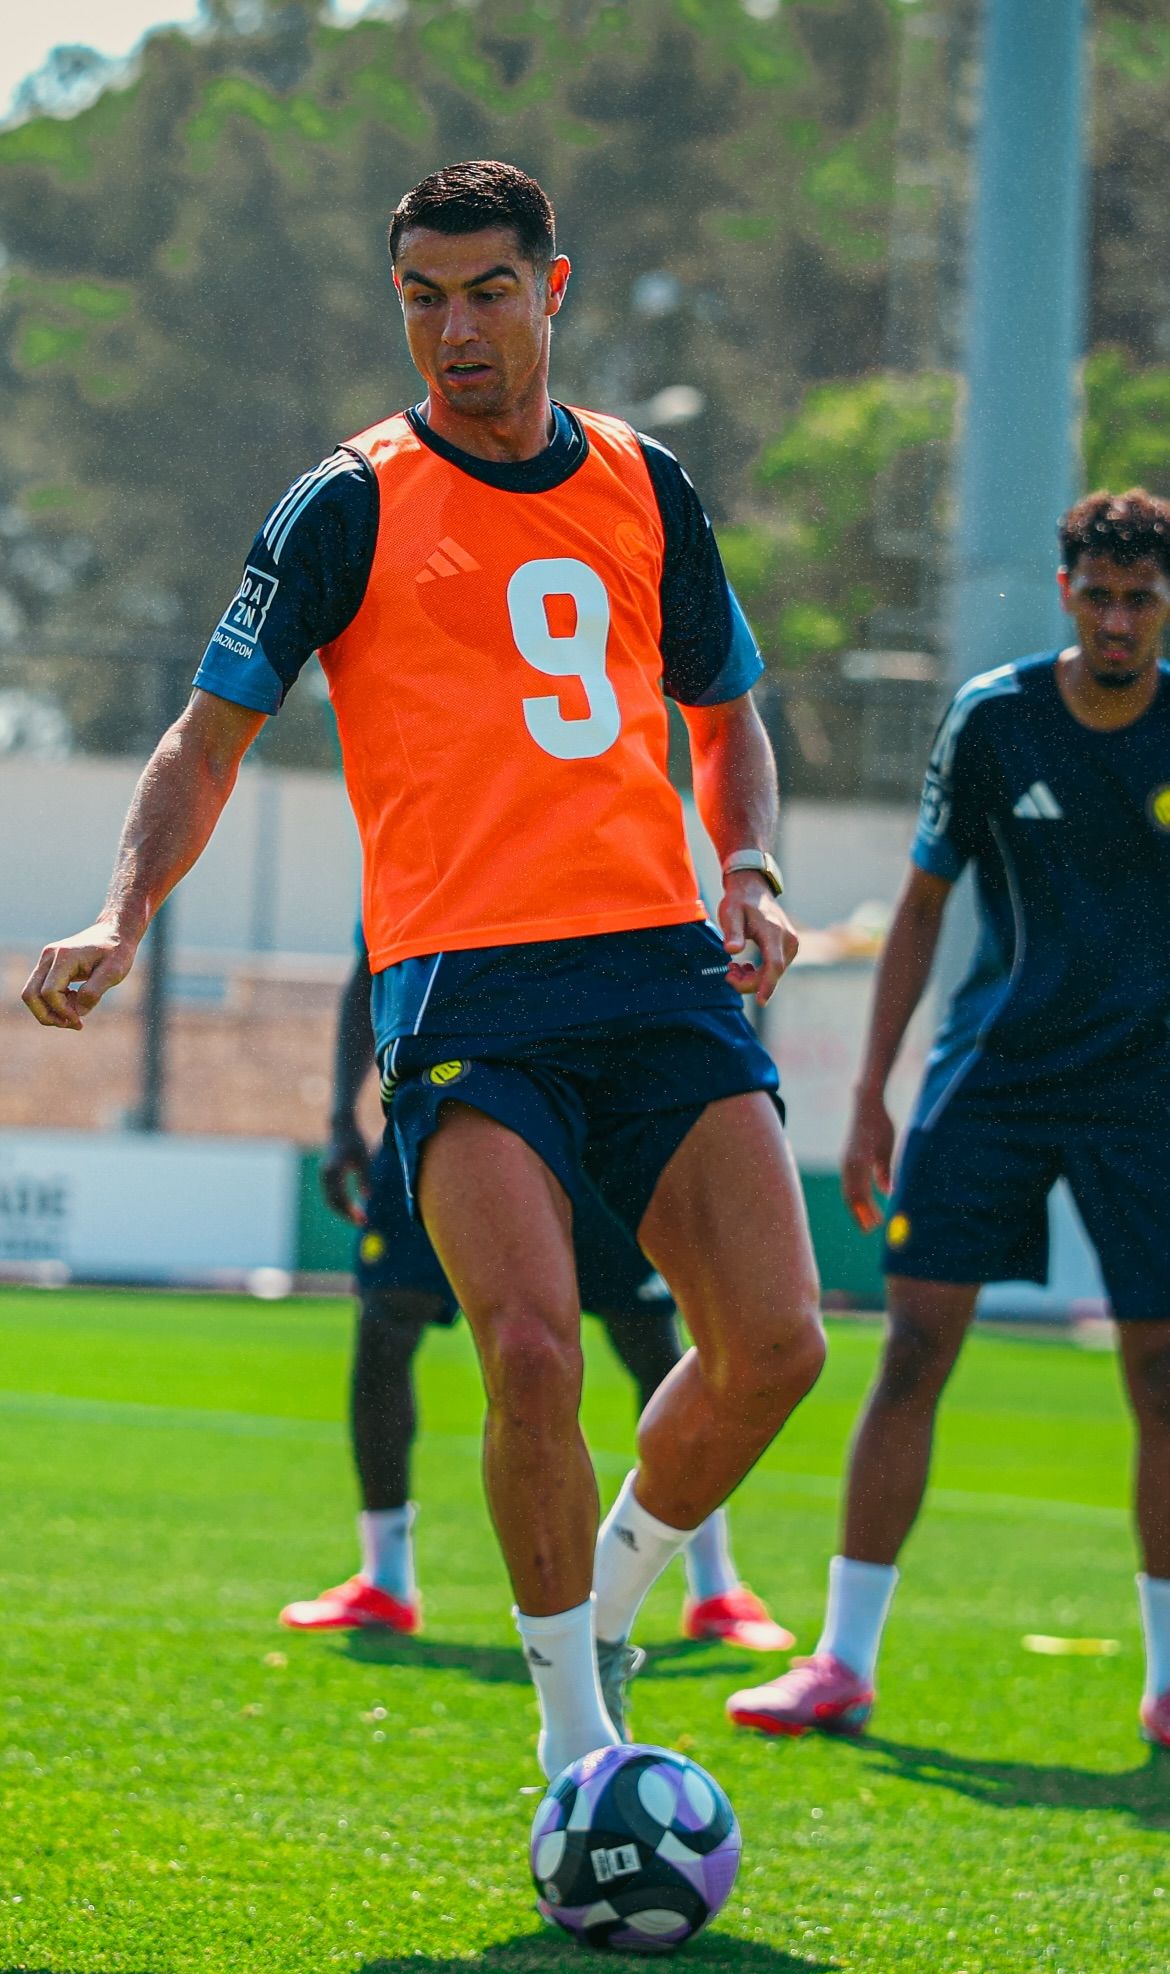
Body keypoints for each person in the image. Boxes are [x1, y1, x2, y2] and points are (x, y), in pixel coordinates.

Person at [24, 159, 825, 1779]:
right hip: (466, 986)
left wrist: (747, 867)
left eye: (487, 293)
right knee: (527, 1350)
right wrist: (124, 911)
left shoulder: (647, 484)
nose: (454, 332)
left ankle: (609, 1591)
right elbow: (206, 735)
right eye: (421, 299)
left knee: (779, 1349)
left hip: (661, 970)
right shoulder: (344, 503)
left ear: (555, 288)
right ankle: (577, 1755)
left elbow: (728, 714)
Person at [727, 489, 1170, 1753]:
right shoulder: (995, 718)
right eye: (1100, 596)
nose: (1119, 620)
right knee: (914, 1350)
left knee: (1164, 1376)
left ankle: (1169, 1680)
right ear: (1067, 588)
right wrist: (873, 1093)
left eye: (1142, 599)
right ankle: (843, 1661)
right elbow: (921, 907)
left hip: (1148, 1091)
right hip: (996, 1076)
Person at [280, 940, 794, 1654]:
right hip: (451, 1079)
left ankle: (714, 1585)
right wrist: (343, 1116)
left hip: (592, 1094)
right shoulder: (410, 834)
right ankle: (385, 1577)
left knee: (652, 1338)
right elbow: (368, 960)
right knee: (386, 1322)